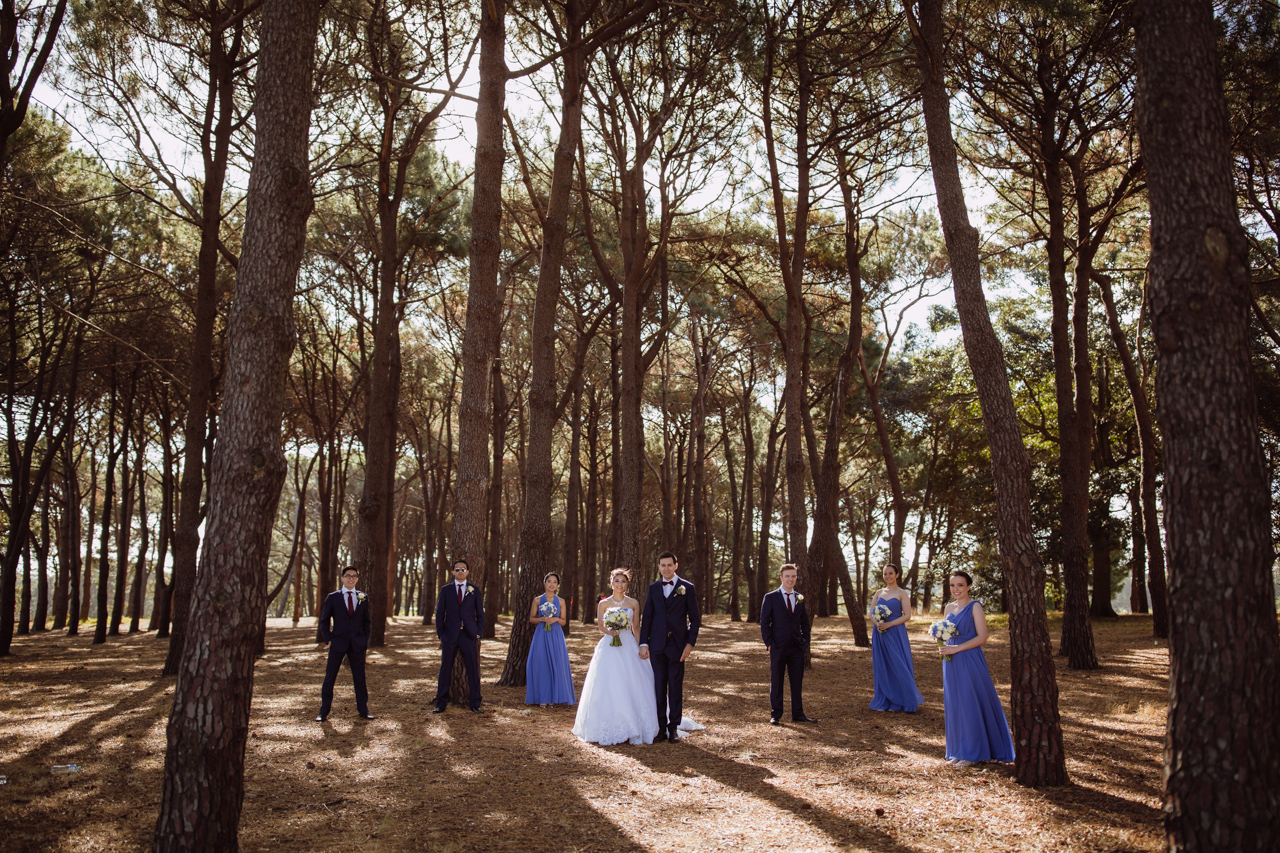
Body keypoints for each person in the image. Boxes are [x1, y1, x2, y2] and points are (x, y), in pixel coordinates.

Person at [572, 569, 660, 745]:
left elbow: (636, 627)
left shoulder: (633, 603)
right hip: (609, 645)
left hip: (628, 644)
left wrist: (642, 646)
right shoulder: (603, 604)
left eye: (623, 582)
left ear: (627, 584)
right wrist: (610, 631)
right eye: (617, 581)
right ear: (611, 582)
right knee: (609, 683)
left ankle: (637, 724)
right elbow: (600, 627)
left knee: (634, 681)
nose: (620, 584)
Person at [939, 570, 1016, 767]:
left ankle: (973, 753)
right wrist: (941, 640)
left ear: (969, 586)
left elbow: (982, 638)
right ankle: (958, 750)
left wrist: (958, 648)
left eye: (960, 585)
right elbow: (946, 632)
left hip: (969, 657)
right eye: (953, 585)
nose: (956, 589)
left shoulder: (975, 607)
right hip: (950, 660)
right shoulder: (948, 607)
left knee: (969, 702)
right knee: (955, 703)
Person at [639, 551, 701, 743]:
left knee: (675, 686)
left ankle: (673, 727)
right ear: (658, 567)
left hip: (677, 645)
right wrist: (643, 643)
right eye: (662, 565)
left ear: (676, 565)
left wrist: (690, 644)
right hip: (657, 645)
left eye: (669, 565)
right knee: (658, 687)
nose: (666, 568)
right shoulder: (654, 588)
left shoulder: (687, 588)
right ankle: (661, 728)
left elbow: (695, 619)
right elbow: (647, 617)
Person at [759, 563, 816, 724]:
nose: (790, 579)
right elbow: (764, 623)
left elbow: (805, 622)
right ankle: (776, 714)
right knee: (776, 681)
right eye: (787, 576)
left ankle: (798, 713)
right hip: (777, 646)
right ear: (781, 577)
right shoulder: (770, 597)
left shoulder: (800, 597)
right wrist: (769, 643)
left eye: (793, 576)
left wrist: (804, 641)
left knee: (797, 682)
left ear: (796, 578)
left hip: (796, 647)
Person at [315, 566, 373, 722]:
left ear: (357, 579)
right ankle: (323, 711)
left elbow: (367, 621)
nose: (351, 579)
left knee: (359, 679)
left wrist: (364, 638)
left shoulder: (363, 597)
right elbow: (324, 620)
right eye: (348, 576)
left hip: (357, 644)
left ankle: (363, 710)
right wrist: (328, 639)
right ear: (342, 578)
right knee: (330, 678)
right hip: (337, 643)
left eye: (354, 576)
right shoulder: (333, 597)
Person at [868, 563, 924, 713]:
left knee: (898, 665)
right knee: (883, 666)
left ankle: (901, 700)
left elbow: (907, 615)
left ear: (897, 575)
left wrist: (890, 624)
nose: (888, 576)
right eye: (885, 573)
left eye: (891, 573)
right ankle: (884, 699)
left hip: (896, 632)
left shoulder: (902, 593)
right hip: (880, 633)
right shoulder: (879, 592)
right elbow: (871, 613)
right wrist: (877, 623)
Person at [432, 559, 485, 713]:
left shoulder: (474, 590)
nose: (460, 571)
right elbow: (440, 613)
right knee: (445, 669)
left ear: (468, 572)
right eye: (457, 569)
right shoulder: (446, 590)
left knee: (473, 670)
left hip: (468, 635)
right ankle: (441, 704)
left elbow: (480, 614)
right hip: (449, 635)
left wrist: (477, 633)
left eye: (463, 569)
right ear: (453, 572)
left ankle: (475, 703)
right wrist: (440, 633)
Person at [525, 572, 576, 706]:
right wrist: (542, 619)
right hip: (541, 633)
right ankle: (543, 698)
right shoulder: (537, 600)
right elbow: (531, 619)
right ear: (544, 583)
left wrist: (556, 619)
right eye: (549, 581)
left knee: (556, 663)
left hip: (556, 634)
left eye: (554, 582)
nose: (551, 584)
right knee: (542, 664)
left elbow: (564, 621)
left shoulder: (561, 601)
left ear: (557, 585)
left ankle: (554, 698)